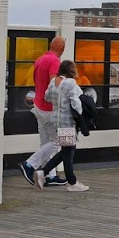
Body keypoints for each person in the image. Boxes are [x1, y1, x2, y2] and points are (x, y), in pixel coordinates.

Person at [20, 36, 65, 187]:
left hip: (38, 106)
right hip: (49, 108)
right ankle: (29, 164)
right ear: (62, 49)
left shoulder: (40, 59)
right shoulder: (54, 61)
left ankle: (49, 176)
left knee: (45, 142)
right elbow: (53, 84)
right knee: (57, 141)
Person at [38, 60, 88, 191]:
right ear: (71, 70)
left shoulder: (53, 81)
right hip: (67, 121)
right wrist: (81, 114)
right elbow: (76, 102)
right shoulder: (71, 83)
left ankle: (43, 173)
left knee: (66, 150)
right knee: (69, 151)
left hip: (56, 120)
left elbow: (47, 97)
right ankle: (72, 183)